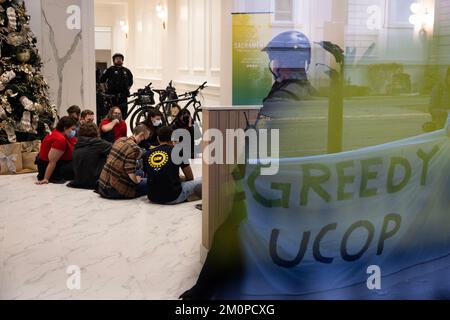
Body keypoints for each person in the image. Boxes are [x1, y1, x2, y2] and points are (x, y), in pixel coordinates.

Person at [144, 126, 201, 205]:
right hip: (173, 197)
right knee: (203, 180)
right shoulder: (178, 152)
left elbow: (151, 175)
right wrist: (178, 178)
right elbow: (190, 177)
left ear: (158, 138)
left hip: (152, 197)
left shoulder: (146, 154)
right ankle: (188, 196)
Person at [97, 124, 150, 200]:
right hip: (116, 191)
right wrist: (137, 181)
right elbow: (130, 173)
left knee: (140, 173)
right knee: (151, 182)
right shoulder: (134, 148)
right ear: (141, 135)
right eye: (144, 138)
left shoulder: (120, 139)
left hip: (103, 185)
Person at [68, 122, 112, 190]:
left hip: (78, 180)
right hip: (94, 181)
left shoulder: (77, 143)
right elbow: (116, 148)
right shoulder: (99, 143)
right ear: (96, 131)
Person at [36, 116, 77, 185]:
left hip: (52, 164)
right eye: (72, 129)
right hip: (49, 168)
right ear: (65, 128)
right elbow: (52, 161)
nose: (74, 132)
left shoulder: (57, 132)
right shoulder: (60, 140)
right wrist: (46, 178)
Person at [99, 53, 134, 119]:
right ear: (114, 60)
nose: (119, 60)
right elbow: (102, 80)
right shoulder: (109, 70)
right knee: (112, 114)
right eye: (117, 59)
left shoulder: (127, 71)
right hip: (112, 97)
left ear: (122, 60)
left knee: (123, 114)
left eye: (120, 59)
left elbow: (130, 82)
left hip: (123, 97)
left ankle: (121, 126)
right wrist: (105, 91)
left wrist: (126, 90)